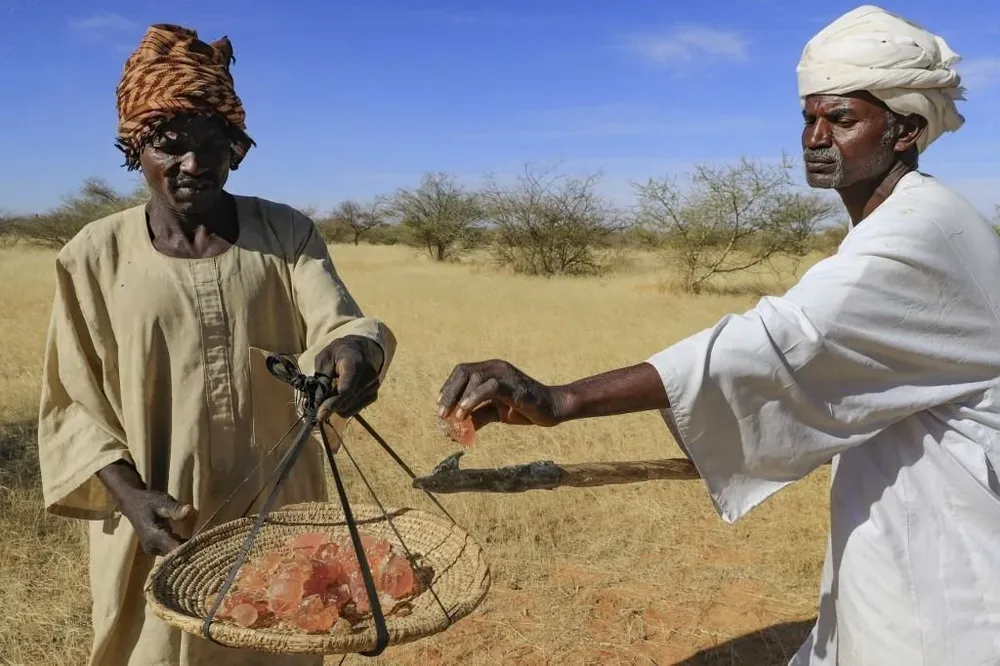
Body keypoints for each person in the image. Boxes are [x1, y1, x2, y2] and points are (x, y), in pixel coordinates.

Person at [436, 6, 1000, 665]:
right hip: (911, 509)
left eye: (841, 119)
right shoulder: (916, 216)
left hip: (943, 539)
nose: (815, 137)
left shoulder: (915, 234)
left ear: (904, 130)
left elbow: (782, 339)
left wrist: (563, 400)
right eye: (808, 118)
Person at [36, 24, 396, 666]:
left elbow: (338, 321)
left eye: (214, 146)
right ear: (135, 148)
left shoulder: (285, 232)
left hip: (278, 508)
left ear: (237, 147)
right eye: (170, 147)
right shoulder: (93, 256)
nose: (194, 166)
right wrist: (132, 498)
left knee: (279, 641)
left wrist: (356, 350)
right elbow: (74, 406)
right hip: (158, 520)